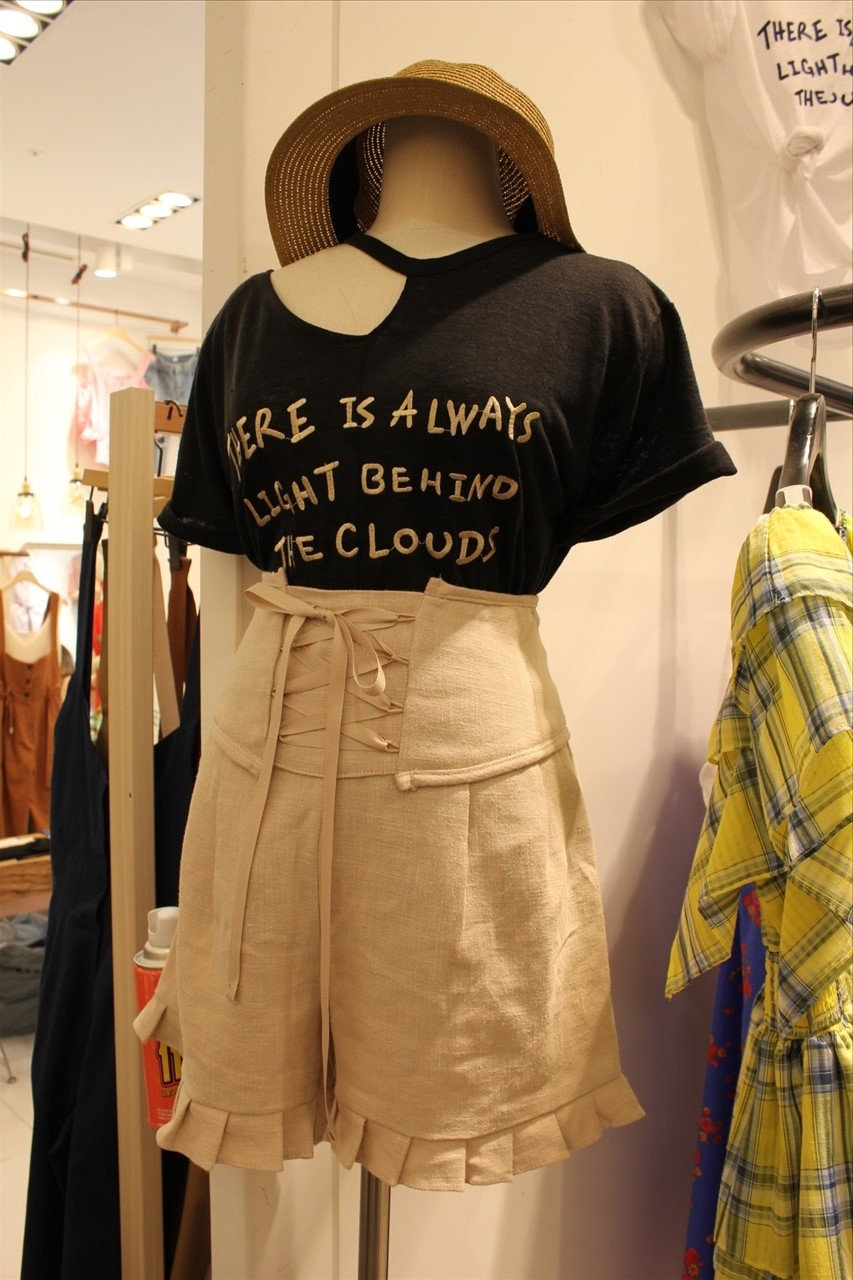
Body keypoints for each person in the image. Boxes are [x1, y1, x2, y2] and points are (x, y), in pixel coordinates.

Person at [136, 60, 736, 1191]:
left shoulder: (602, 308)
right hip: (262, 767)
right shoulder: (252, 318)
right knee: (261, 1040)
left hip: (470, 761)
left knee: (459, 1063)